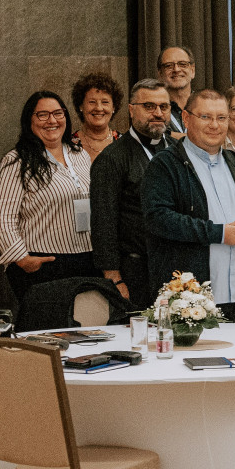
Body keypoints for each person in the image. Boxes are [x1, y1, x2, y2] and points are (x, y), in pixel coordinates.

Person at [142, 90, 235, 323]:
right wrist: (219, 233)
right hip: (190, 297)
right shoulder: (165, 164)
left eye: (221, 118)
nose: (215, 125)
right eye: (205, 117)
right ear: (186, 118)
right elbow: (159, 218)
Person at [0, 91, 96, 301]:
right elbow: (0, 216)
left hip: (86, 259)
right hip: (43, 263)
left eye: (57, 113)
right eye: (42, 115)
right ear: (29, 120)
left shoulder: (80, 154)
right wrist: (22, 258)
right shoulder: (16, 161)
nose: (52, 121)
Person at [91, 80, 174, 308]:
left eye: (164, 107)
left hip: (175, 265)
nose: (158, 113)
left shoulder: (178, 151)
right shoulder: (112, 158)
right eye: (149, 106)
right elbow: (103, 222)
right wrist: (113, 276)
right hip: (135, 271)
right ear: (131, 110)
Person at [71, 73, 121, 161]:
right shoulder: (67, 145)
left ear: (113, 107)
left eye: (105, 102)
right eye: (92, 102)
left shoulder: (125, 144)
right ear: (81, 106)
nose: (98, 108)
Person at [156, 46, 195, 133]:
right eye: (169, 66)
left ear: (192, 71)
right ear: (160, 74)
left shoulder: (206, 105)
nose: (176, 69)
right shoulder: (153, 109)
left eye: (182, 64)